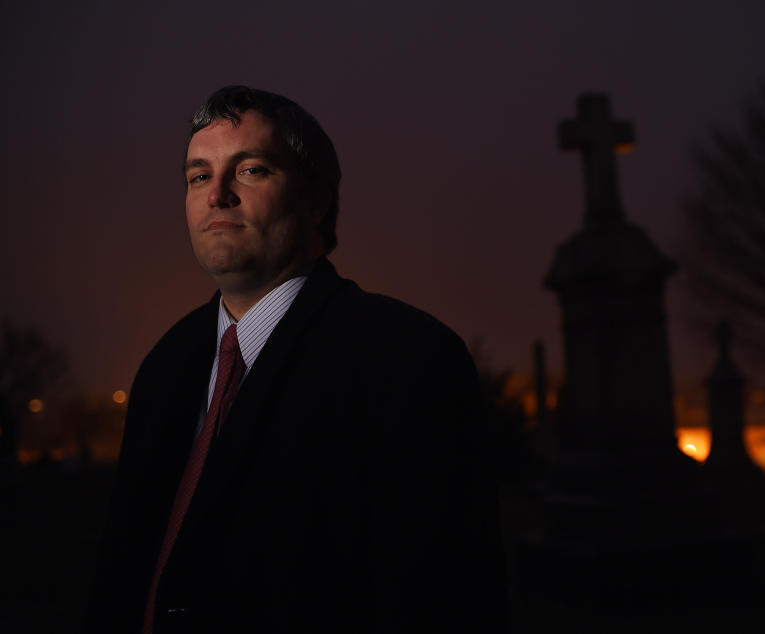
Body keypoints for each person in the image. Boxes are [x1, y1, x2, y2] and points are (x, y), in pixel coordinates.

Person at [85, 86, 506, 633]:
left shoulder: (408, 359)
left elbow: (444, 599)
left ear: (316, 201)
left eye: (251, 170)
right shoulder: (164, 365)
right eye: (198, 176)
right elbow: (122, 568)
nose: (217, 195)